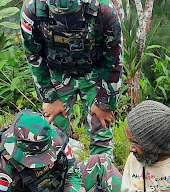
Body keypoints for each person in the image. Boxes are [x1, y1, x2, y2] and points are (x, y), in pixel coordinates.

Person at [20, 0, 122, 172]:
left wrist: (106, 103)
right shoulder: (33, 10)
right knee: (53, 130)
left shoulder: (104, 11)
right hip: (57, 75)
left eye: (71, 17)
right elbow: (33, 55)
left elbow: (114, 59)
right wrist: (49, 97)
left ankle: (101, 178)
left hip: (94, 73)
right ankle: (57, 178)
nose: (66, 23)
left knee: (101, 130)